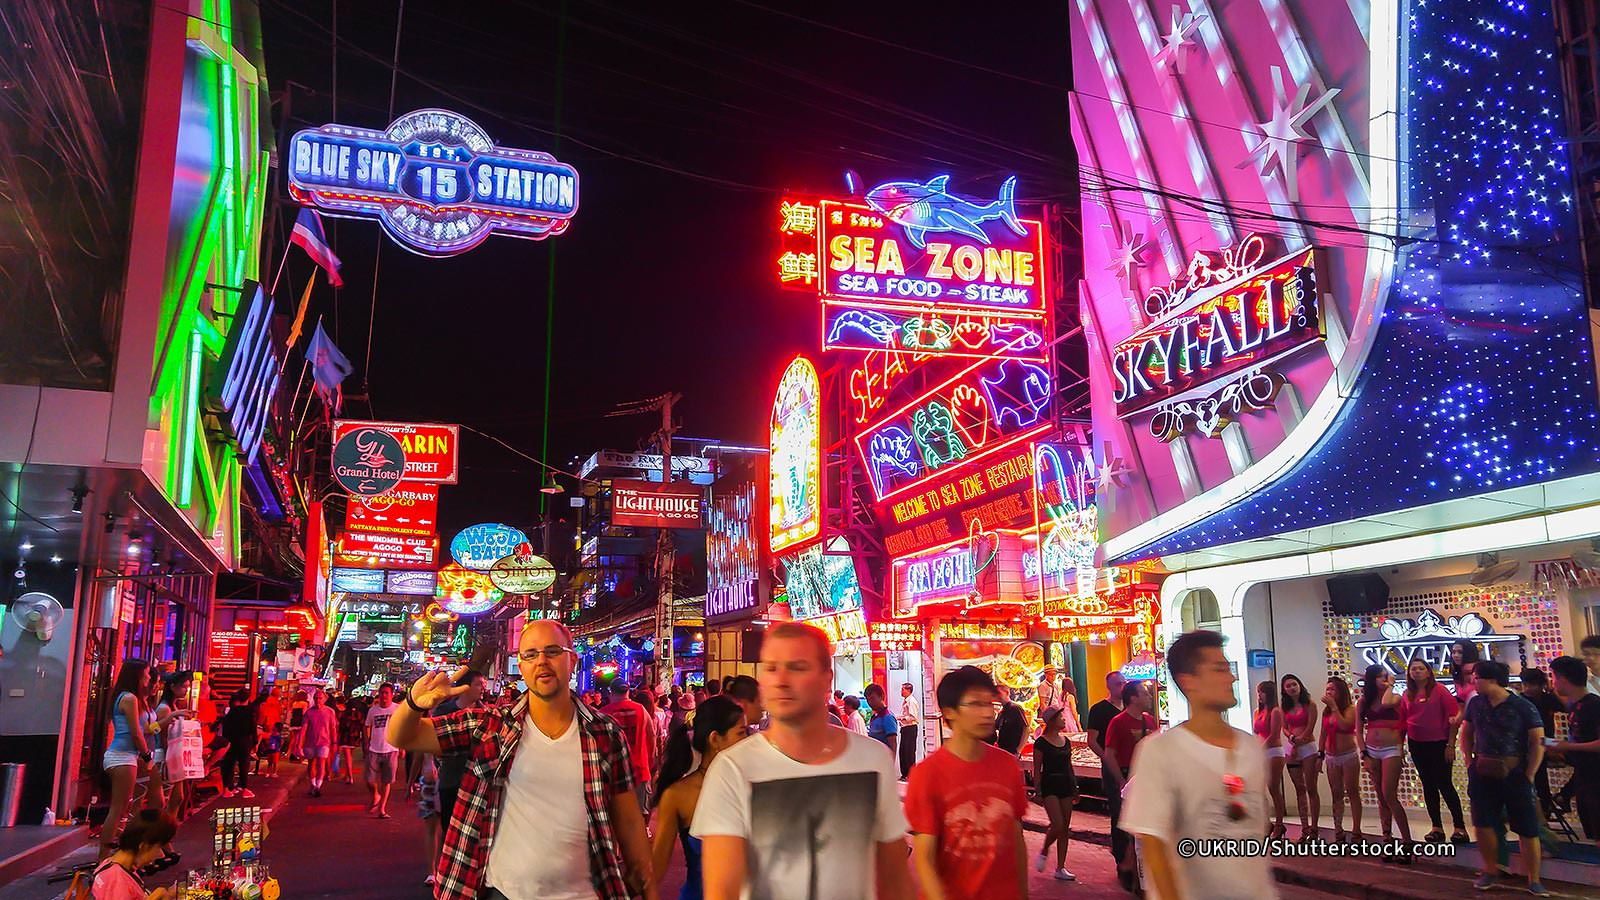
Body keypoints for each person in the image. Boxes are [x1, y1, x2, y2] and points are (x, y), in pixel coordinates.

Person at [388, 619, 657, 900]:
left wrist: (644, 876)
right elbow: (403, 737)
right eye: (530, 655)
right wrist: (414, 703)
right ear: (522, 666)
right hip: (503, 892)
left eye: (553, 651)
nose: (541, 661)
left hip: (586, 892)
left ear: (572, 661)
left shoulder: (606, 734)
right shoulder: (489, 727)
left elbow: (627, 819)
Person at [694, 622, 912, 900]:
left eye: (797, 667)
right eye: (771, 668)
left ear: (826, 678)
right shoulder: (732, 769)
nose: (781, 680)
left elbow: (896, 880)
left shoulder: (872, 760)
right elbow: (722, 891)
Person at [1121, 631, 1276, 900]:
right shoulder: (1161, 752)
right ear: (1188, 681)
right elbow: (1154, 846)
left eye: (1228, 669)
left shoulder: (1250, 749)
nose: (1231, 678)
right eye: (1219, 669)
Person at [905, 665, 1030, 898]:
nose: (987, 713)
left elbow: (1016, 838)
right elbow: (925, 860)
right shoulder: (927, 774)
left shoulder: (1007, 766)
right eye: (975, 704)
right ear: (949, 711)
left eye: (989, 704)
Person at [1462, 659, 1548, 895]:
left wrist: (1530, 773)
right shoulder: (1476, 703)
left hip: (1514, 772)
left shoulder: (1522, 705)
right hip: (1483, 771)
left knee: (1527, 827)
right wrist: (1470, 763)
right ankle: (1490, 869)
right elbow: (1466, 733)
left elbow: (1537, 741)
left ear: (1491, 680)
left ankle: (1534, 878)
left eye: (1477, 677)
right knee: (1483, 823)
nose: (1473, 681)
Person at [651, 696, 748, 900]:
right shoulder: (678, 795)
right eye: (742, 733)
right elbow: (656, 867)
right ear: (715, 740)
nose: (748, 740)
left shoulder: (753, 785)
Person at [1397, 658, 1466, 843]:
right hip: (1417, 744)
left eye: (1421, 668)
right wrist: (1401, 748)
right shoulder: (1406, 694)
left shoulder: (1440, 691)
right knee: (1428, 784)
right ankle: (1436, 827)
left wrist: (1450, 745)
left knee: (1445, 783)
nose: (1417, 671)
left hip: (1439, 743)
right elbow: (1403, 723)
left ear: (1428, 672)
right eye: (1414, 669)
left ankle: (1459, 827)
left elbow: (1453, 719)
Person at [1106, 680, 1159, 885]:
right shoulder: (1118, 722)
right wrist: (1120, 780)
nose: (1148, 697)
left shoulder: (1149, 721)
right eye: (1144, 694)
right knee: (1132, 828)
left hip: (1147, 777)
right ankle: (1133, 872)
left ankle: (1137, 871)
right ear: (1133, 698)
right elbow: (1110, 754)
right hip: (1129, 777)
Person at [1356, 665, 1412, 853]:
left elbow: (1388, 703)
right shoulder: (1364, 701)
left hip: (1391, 749)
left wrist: (1390, 686)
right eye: (1380, 677)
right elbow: (1358, 729)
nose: (1384, 679)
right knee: (1380, 796)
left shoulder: (1395, 697)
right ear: (1372, 680)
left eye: (1385, 676)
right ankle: (1387, 836)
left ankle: (1406, 841)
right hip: (1372, 749)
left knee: (1389, 794)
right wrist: (1364, 753)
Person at [101, 660, 153, 852]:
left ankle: (113, 852)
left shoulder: (129, 697)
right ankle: (103, 857)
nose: (149, 678)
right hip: (121, 757)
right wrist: (147, 756)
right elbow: (136, 732)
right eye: (147, 674)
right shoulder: (129, 698)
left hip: (125, 756)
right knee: (117, 809)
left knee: (123, 809)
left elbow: (145, 729)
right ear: (137, 675)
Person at [1550, 655, 1600, 846]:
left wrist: (1567, 746)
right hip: (1583, 775)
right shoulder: (1574, 705)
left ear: (1562, 679)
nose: (1552, 683)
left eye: (1553, 677)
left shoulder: (1593, 705)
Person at [433, 669, 487, 840]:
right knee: (449, 829)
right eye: (479, 684)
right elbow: (433, 743)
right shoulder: (444, 711)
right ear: (465, 687)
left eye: (484, 685)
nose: (483, 688)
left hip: (477, 783)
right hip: (450, 779)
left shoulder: (486, 713)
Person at [1083, 669, 1128, 877]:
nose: (1122, 686)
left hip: (1131, 767)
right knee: (1118, 811)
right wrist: (1106, 759)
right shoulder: (1099, 710)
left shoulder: (1131, 706)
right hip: (1112, 767)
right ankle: (1121, 857)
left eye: (1124, 682)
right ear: (1109, 686)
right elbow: (1091, 740)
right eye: (1118, 683)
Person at [1032, 706, 1078, 881]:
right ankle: (1045, 849)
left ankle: (1061, 867)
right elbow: (1037, 769)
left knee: (1065, 828)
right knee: (1057, 824)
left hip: (1066, 784)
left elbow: (1069, 766)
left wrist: (1075, 788)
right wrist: (1038, 791)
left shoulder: (1066, 741)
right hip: (1049, 784)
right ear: (1052, 721)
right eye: (1060, 717)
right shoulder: (1041, 743)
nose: (1064, 719)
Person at [91, 809, 179, 900]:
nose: (160, 855)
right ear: (144, 846)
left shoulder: (112, 865)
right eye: (158, 849)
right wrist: (158, 894)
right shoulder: (118, 881)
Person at [600, 679, 657, 814]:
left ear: (611, 692)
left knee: (614, 817)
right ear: (628, 692)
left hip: (613, 774)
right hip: (640, 770)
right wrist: (650, 760)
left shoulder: (603, 713)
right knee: (640, 815)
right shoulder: (641, 710)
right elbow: (652, 735)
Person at [1320, 677, 1362, 843]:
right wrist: (1320, 753)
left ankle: (1356, 829)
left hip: (1348, 755)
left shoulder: (1350, 709)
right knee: (1336, 793)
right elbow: (1323, 733)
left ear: (1340, 692)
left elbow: (1346, 726)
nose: (1329, 692)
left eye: (1332, 689)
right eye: (1327, 689)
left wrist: (1334, 707)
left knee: (1352, 792)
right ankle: (1338, 829)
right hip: (1331, 756)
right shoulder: (1326, 711)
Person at [1280, 674, 1321, 842]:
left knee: (1311, 788)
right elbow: (1284, 727)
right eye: (1288, 686)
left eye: (1293, 684)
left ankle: (1315, 828)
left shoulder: (1310, 704)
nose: (1291, 688)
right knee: (1299, 789)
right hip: (1291, 748)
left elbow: (1310, 728)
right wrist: (1291, 738)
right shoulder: (1284, 706)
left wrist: (1299, 740)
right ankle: (1304, 828)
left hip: (1308, 748)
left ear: (1300, 685)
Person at [1520, 668, 1565, 818]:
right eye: (1525, 684)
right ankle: (1545, 807)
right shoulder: (1521, 701)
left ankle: (1551, 802)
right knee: (1538, 775)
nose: (1527, 688)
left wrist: (1553, 691)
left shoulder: (1548, 699)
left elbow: (1567, 707)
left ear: (1541, 685)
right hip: (1529, 745)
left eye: (1531, 685)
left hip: (1546, 742)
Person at [1253, 680, 1288, 840]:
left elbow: (1274, 735)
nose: (1259, 695)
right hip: (1260, 751)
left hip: (1273, 752)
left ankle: (1280, 824)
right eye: (1258, 692)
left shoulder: (1275, 711)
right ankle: (1266, 822)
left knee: (1273, 788)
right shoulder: (1257, 712)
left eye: (1262, 692)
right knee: (1258, 789)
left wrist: (1260, 750)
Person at [364, 683, 401, 818]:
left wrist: (401, 746)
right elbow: (367, 726)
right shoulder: (373, 710)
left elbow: (402, 729)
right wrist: (366, 742)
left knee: (387, 781)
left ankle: (382, 809)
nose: (384, 695)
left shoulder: (397, 709)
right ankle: (375, 795)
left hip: (391, 750)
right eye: (382, 693)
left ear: (392, 695)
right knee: (369, 779)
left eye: (387, 693)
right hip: (374, 748)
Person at [219, 688, 257, 800]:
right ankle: (244, 788)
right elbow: (252, 728)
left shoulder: (232, 711)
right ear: (248, 698)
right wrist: (255, 742)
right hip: (245, 740)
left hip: (231, 740)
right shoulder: (250, 711)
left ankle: (228, 788)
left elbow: (225, 726)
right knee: (244, 764)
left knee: (229, 763)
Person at [301, 689, 338, 797]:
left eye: (320, 698)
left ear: (325, 699)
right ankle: (312, 784)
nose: (318, 700)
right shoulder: (309, 712)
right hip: (310, 742)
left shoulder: (330, 712)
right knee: (311, 764)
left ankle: (318, 786)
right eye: (316, 698)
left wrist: (334, 742)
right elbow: (304, 728)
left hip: (324, 742)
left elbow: (333, 728)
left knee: (321, 763)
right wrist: (299, 743)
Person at [417, 753, 443, 887]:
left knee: (445, 828)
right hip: (430, 781)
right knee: (431, 828)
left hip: (445, 779)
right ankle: (432, 871)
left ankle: (439, 870)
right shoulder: (425, 733)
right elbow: (418, 756)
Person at [864, 683, 900, 757]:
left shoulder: (888, 717)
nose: (870, 703)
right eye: (868, 700)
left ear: (881, 697)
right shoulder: (874, 716)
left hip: (884, 760)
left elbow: (893, 743)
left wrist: (890, 764)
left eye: (872, 698)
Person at [337, 694, 364, 785]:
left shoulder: (344, 713)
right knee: (350, 757)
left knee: (347, 757)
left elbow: (340, 725)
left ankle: (350, 776)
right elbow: (362, 725)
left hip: (345, 737)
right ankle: (347, 775)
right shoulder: (359, 714)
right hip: (355, 737)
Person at [994, 685, 1027, 756]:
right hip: (1003, 750)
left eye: (998, 693)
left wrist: (1018, 751)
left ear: (1007, 693)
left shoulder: (1015, 708)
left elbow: (1026, 729)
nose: (996, 695)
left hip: (1012, 751)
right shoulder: (1002, 711)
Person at [895, 682, 918, 779]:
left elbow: (913, 717)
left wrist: (901, 718)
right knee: (903, 751)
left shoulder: (911, 701)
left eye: (903, 689)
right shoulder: (906, 701)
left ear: (908, 690)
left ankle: (911, 774)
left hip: (910, 728)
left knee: (909, 752)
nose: (901, 691)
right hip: (905, 728)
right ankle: (905, 774)